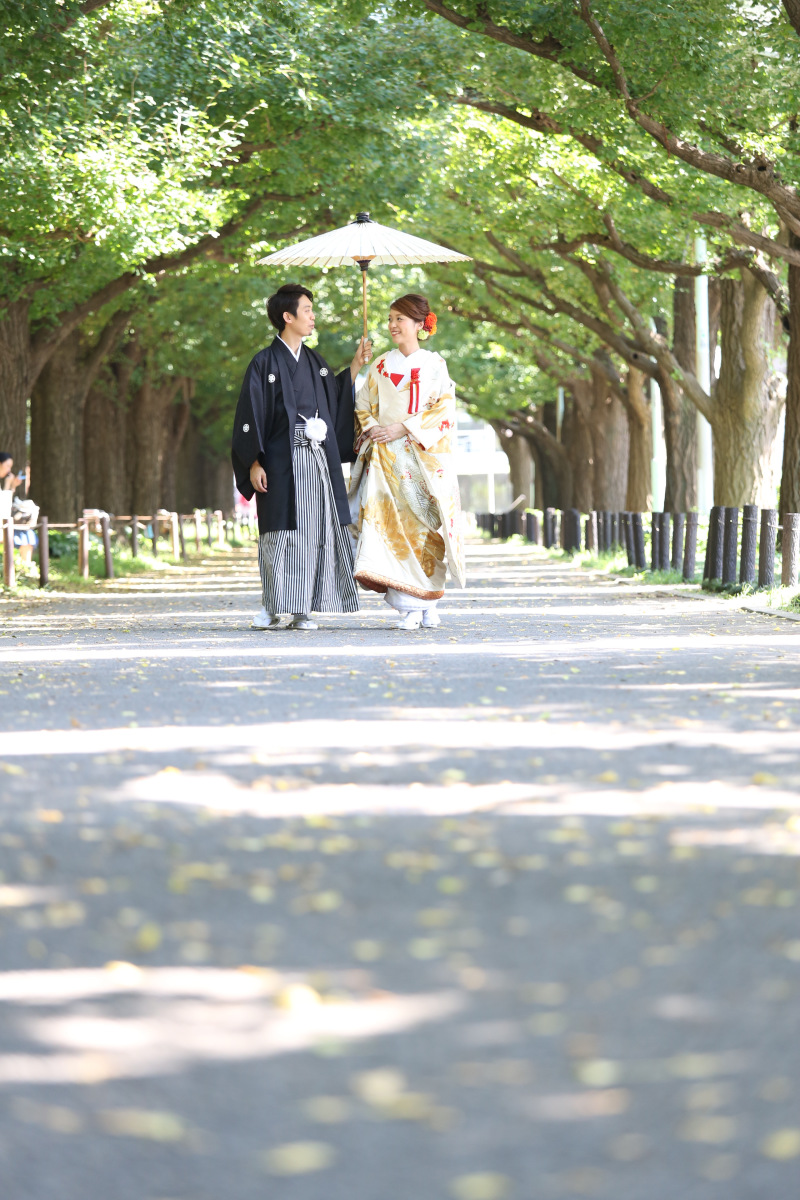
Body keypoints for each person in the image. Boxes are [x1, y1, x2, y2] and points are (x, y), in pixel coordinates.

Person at [231, 283, 371, 630]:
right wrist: (253, 463)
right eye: (307, 309)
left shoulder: (315, 363)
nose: (312, 316)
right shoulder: (264, 362)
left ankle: (303, 609)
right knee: (280, 533)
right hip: (279, 462)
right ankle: (272, 604)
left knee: (314, 531)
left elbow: (336, 398)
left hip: (316, 458)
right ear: (287, 316)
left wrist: (355, 364)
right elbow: (250, 415)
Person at [348, 293, 466, 629]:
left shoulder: (434, 364)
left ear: (419, 324)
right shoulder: (380, 364)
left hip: (421, 458)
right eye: (390, 318)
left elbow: (444, 409)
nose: (392, 325)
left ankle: (427, 602)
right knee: (388, 528)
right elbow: (363, 404)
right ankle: (410, 606)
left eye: (400, 319)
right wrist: (375, 430)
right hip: (385, 458)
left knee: (425, 529)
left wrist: (403, 427)